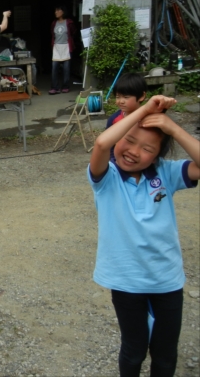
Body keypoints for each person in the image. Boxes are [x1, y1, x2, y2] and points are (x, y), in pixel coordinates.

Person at [88, 95, 199, 377]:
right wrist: (144, 111)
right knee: (134, 349)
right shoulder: (106, 177)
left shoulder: (167, 173)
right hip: (127, 281)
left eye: (148, 148)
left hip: (166, 279)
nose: (134, 151)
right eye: (129, 139)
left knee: (165, 353)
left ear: (158, 156)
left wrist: (172, 128)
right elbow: (102, 144)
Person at [49, 4, 78, 94]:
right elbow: (52, 34)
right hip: (57, 47)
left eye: (58, 10)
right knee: (54, 67)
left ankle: (66, 86)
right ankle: (55, 87)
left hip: (66, 46)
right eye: (55, 11)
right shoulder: (54, 23)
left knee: (66, 68)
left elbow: (73, 32)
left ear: (63, 12)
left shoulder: (69, 22)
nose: (56, 12)